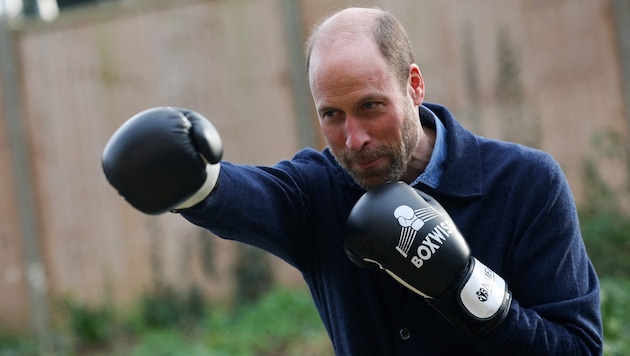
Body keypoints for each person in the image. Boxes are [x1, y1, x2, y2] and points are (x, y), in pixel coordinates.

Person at [102, 7, 603, 355]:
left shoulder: (525, 184)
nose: (355, 138)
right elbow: (251, 198)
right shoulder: (318, 192)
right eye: (332, 115)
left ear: (414, 85)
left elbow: (578, 349)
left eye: (370, 106)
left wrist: (468, 288)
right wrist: (194, 181)